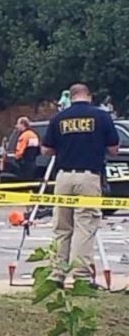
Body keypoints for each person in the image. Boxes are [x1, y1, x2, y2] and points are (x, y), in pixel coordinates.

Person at [41, 83, 119, 286]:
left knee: (62, 227)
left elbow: (46, 150)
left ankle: (57, 274)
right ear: (89, 96)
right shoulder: (101, 117)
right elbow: (113, 148)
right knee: (85, 226)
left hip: (63, 177)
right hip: (89, 177)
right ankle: (81, 276)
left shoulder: (59, 118)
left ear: (71, 96)